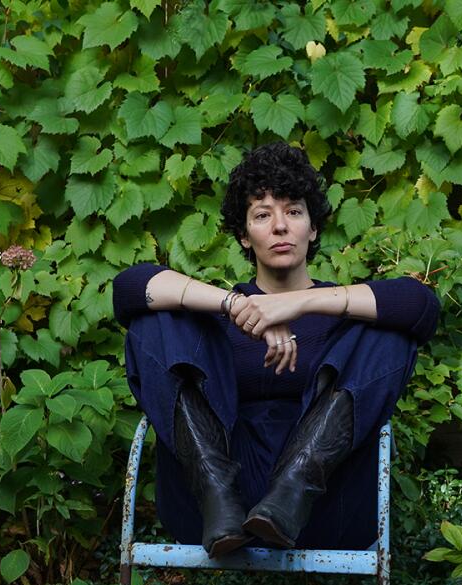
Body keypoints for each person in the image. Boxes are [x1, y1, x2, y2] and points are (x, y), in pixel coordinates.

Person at [112, 142, 439, 557]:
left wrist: (301, 302)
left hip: (323, 504)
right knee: (154, 319)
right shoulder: (218, 315)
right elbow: (128, 288)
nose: (280, 226)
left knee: (387, 329)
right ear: (245, 237)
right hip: (213, 512)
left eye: (294, 211)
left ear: (314, 228)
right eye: (262, 215)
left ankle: (291, 490)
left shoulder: (341, 311)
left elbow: (422, 306)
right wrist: (234, 305)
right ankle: (218, 489)